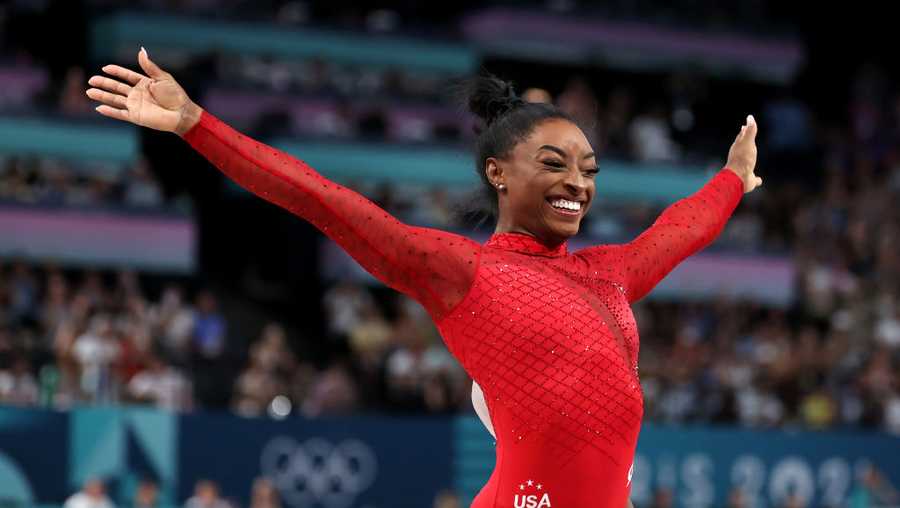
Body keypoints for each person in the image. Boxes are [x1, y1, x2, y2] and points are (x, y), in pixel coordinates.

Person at [86, 48, 760, 508]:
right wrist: (198, 126)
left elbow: (681, 230)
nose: (577, 184)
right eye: (554, 164)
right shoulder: (461, 272)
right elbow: (320, 198)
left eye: (588, 170)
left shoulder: (606, 274)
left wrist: (733, 179)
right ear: (499, 173)